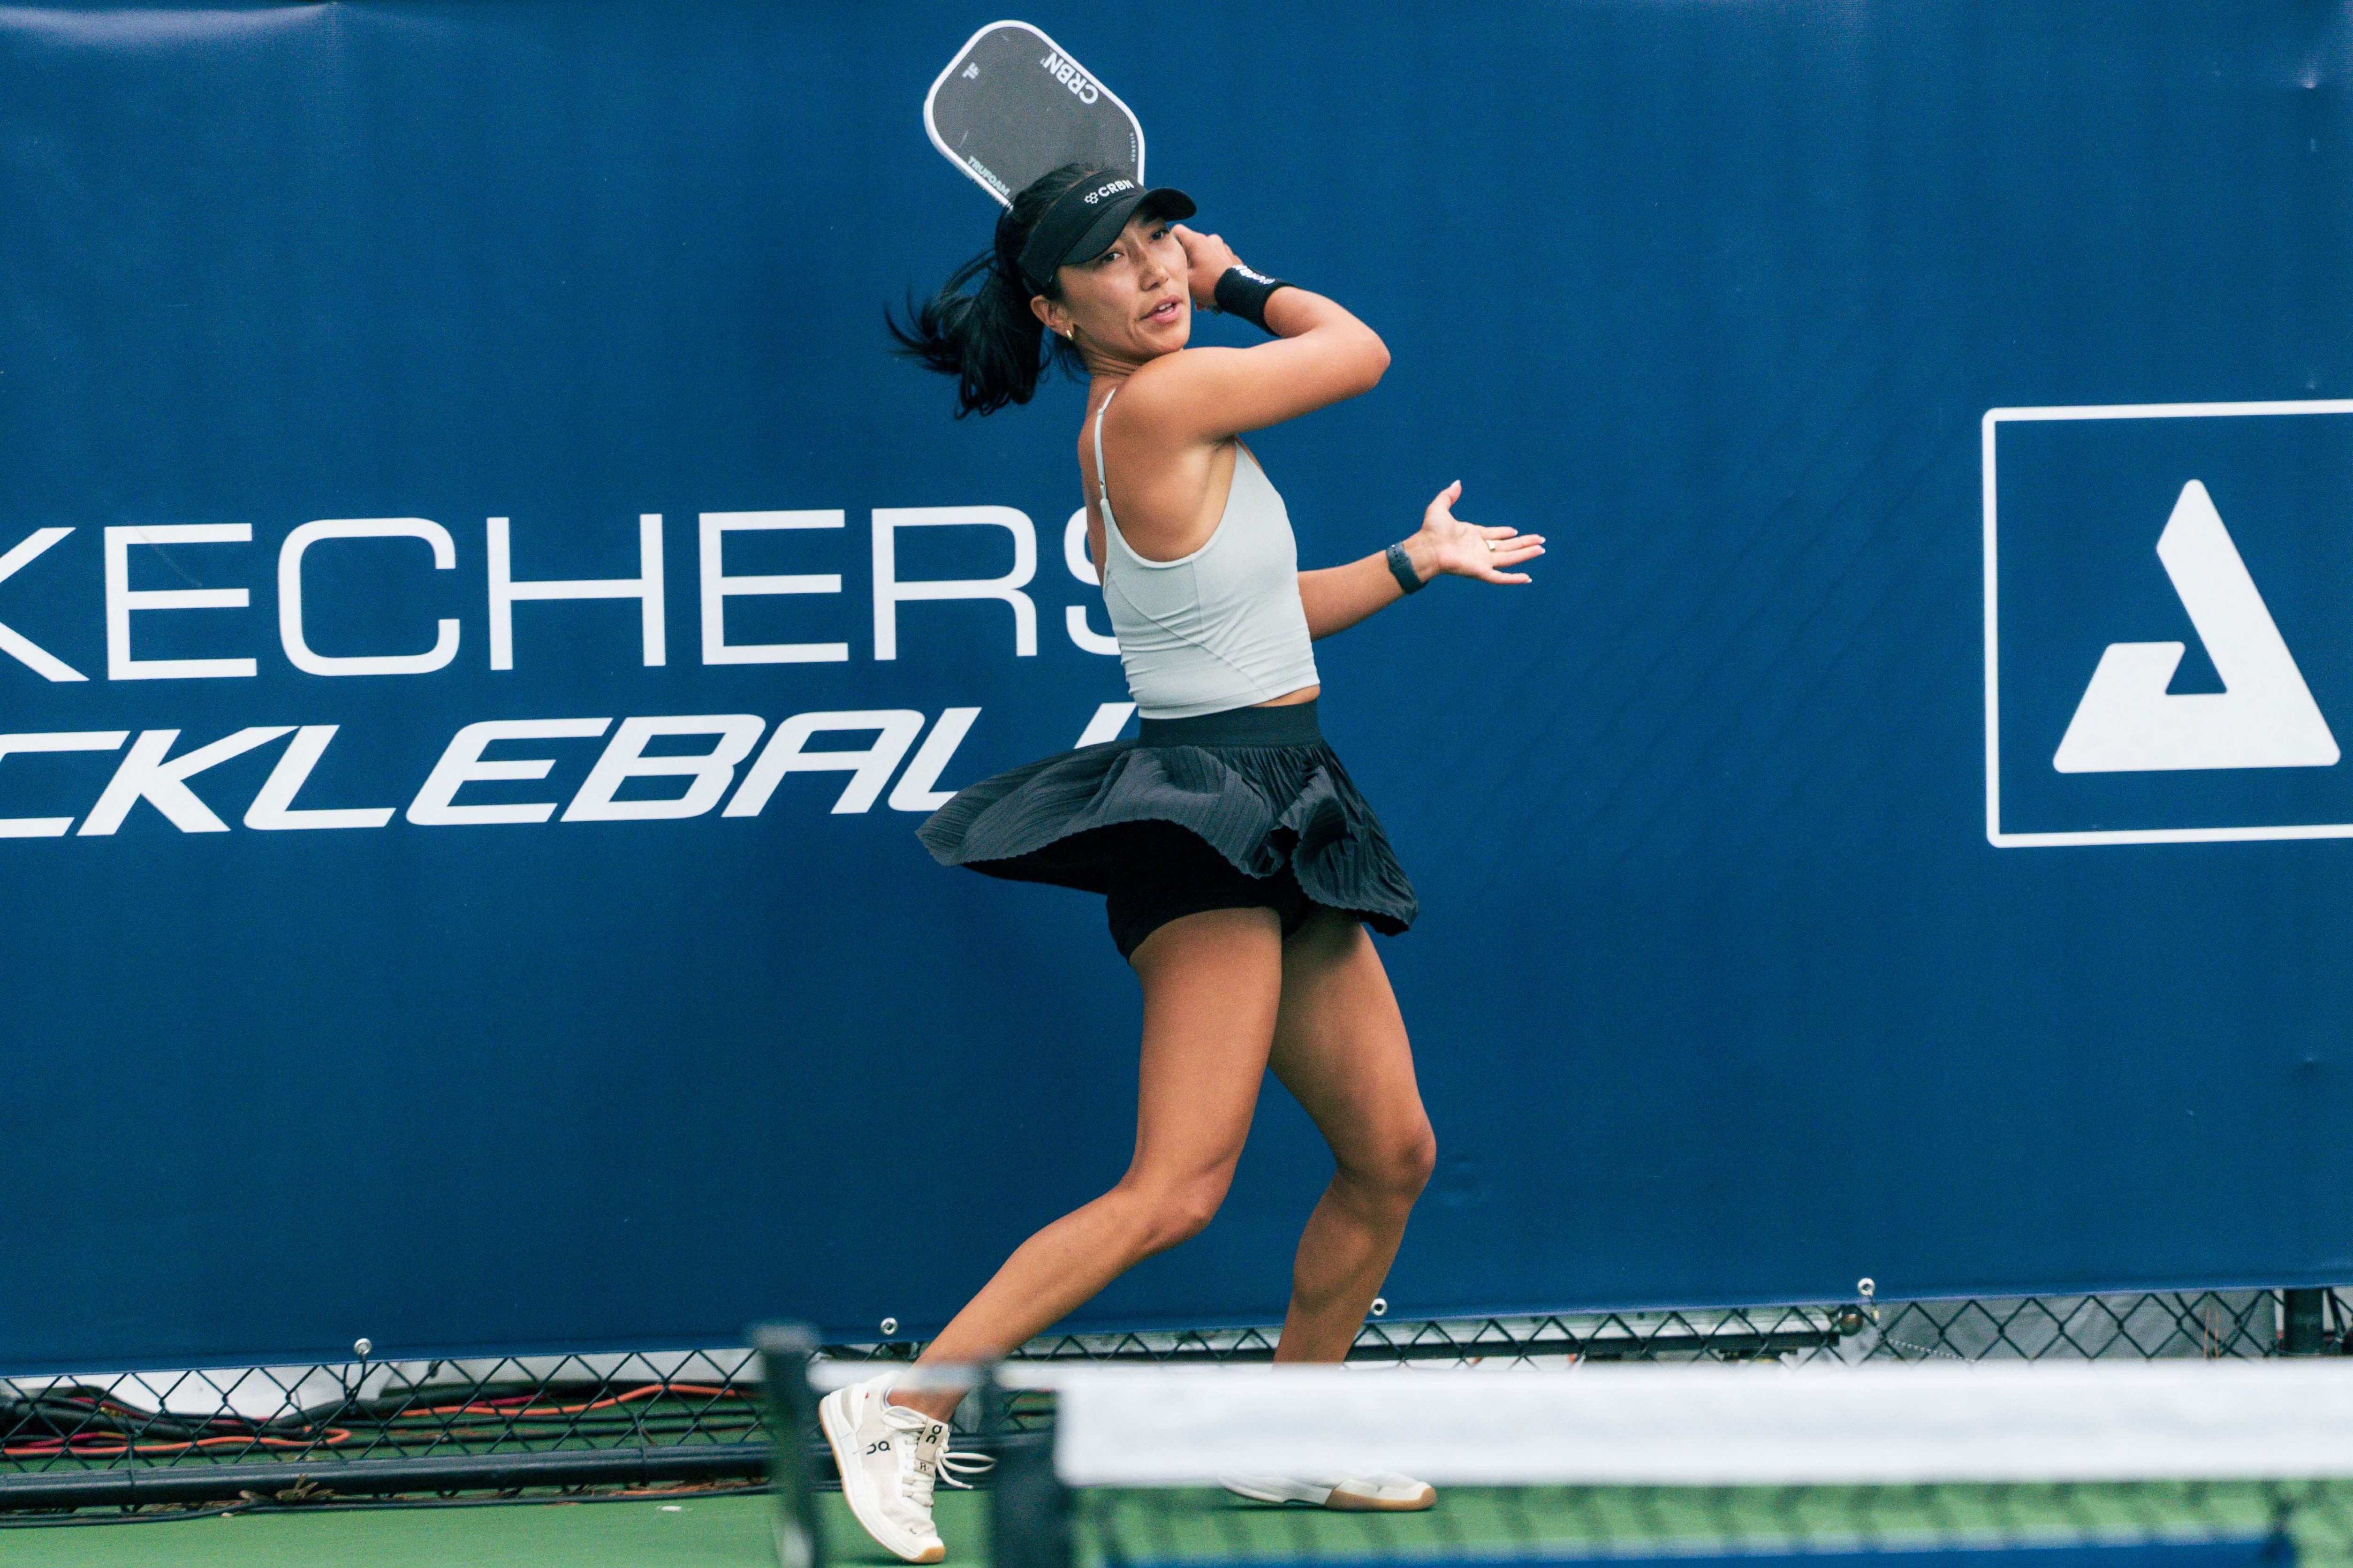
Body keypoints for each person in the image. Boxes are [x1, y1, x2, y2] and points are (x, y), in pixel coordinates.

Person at [821, 164, 1543, 1563]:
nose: (1156, 271)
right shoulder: (1162, 398)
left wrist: (1411, 561)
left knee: (1391, 1153)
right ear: (1056, 308)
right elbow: (1359, 352)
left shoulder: (1136, 425)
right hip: (1207, 821)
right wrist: (1237, 284)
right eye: (1120, 259)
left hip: (1291, 796)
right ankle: (900, 1406)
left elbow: (1262, 627)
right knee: (1180, 1189)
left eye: (1164, 241)